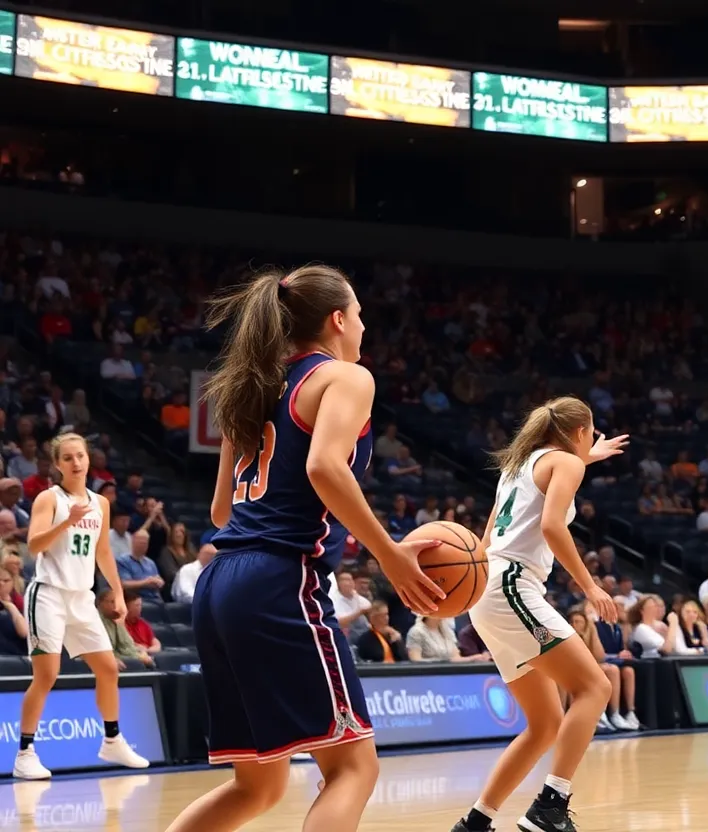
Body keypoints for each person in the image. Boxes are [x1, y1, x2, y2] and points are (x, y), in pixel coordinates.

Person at [165, 266, 444, 832]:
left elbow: (222, 512)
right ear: (338, 320)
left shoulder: (250, 386)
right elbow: (322, 466)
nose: (364, 327)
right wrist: (389, 552)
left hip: (218, 583)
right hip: (279, 582)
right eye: (361, 314)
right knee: (353, 769)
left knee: (256, 786)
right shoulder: (346, 377)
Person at [453, 397, 627, 832]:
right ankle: (551, 805)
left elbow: (489, 533)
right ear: (581, 431)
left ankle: (475, 823)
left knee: (545, 723)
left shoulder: (518, 467)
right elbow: (552, 526)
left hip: (487, 591)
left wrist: (588, 456)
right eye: (590, 435)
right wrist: (589, 586)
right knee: (594, 687)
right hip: (513, 584)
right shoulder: (567, 464)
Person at [12, 433, 148, 779]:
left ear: (89, 460)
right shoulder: (49, 499)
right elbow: (34, 546)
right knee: (46, 676)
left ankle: (112, 740)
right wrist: (67, 521)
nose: (76, 462)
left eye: (81, 456)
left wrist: (117, 592)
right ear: (57, 465)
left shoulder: (100, 503)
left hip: (81, 597)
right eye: (68, 458)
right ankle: (25, 752)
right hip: (48, 594)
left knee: (108, 668)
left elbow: (103, 552)